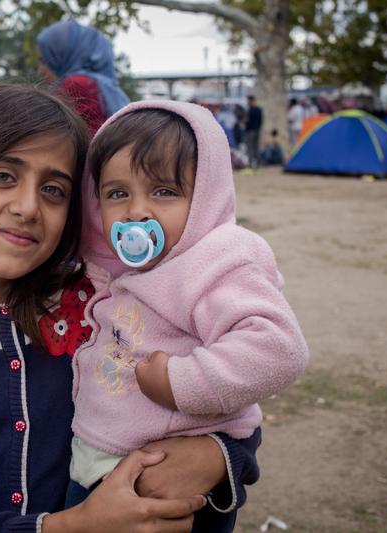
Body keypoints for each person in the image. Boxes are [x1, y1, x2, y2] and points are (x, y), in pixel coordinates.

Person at [0, 84, 260, 532]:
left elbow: (227, 396)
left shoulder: (101, 301)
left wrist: (217, 457)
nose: (28, 207)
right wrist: (72, 526)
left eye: (53, 189)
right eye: (3, 176)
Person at [61, 101, 308, 530]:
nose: (136, 212)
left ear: (205, 196)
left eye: (164, 192)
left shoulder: (215, 260)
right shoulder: (116, 271)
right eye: (117, 193)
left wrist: (183, 382)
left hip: (170, 480)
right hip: (96, 465)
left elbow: (278, 348)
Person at [37, 20, 129, 136]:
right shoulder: (104, 85)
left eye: (45, 60)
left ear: (64, 55)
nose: (40, 71)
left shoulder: (76, 84)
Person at [244, 96, 262, 171]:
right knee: (256, 148)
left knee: (250, 148)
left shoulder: (251, 110)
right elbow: (261, 121)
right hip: (257, 131)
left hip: (250, 131)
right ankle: (258, 164)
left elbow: (249, 121)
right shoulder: (259, 109)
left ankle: (251, 165)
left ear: (251, 100)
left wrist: (246, 124)